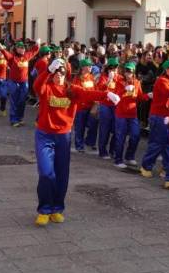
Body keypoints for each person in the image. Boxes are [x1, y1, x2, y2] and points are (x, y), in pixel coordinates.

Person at [32, 58, 118, 226]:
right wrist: (48, 70)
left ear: (67, 74)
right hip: (45, 135)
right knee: (46, 173)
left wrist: (107, 95)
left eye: (62, 72)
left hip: (63, 136)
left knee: (62, 174)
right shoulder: (46, 88)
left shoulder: (72, 90)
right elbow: (36, 86)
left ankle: (56, 208)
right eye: (56, 72)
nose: (59, 75)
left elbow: (89, 94)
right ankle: (44, 209)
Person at [140, 59, 169, 177]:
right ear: (167, 69)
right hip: (158, 116)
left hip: (168, 116)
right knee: (157, 143)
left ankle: (166, 168)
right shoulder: (161, 80)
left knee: (168, 144)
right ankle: (146, 166)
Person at [112, 61, 148, 168]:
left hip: (132, 114)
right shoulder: (119, 82)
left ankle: (129, 156)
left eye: (130, 71)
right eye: (127, 71)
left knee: (135, 135)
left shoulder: (137, 82)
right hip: (121, 114)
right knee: (121, 137)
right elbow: (116, 96)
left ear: (133, 72)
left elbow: (140, 96)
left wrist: (148, 96)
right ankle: (118, 160)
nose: (128, 73)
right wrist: (124, 89)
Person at [0, 40, 40, 127]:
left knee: (22, 101)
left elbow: (34, 50)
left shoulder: (26, 56)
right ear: (16, 49)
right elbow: (3, 51)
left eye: (23, 48)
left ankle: (20, 118)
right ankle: (13, 119)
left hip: (24, 82)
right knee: (14, 101)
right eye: (20, 48)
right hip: (13, 82)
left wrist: (38, 43)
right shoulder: (12, 57)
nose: (22, 49)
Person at [96, 57, 122, 159]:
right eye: (112, 68)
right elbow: (100, 89)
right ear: (108, 68)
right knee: (104, 128)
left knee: (117, 129)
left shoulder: (119, 77)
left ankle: (113, 150)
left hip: (116, 106)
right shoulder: (103, 77)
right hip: (105, 105)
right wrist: (109, 80)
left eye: (116, 68)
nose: (114, 70)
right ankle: (102, 151)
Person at [71, 58, 99, 153]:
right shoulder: (77, 79)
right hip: (80, 107)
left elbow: (95, 90)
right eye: (88, 65)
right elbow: (75, 92)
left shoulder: (91, 77)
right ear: (83, 67)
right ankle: (79, 145)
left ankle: (90, 142)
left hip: (90, 106)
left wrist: (96, 102)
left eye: (91, 65)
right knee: (80, 127)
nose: (90, 67)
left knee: (93, 124)